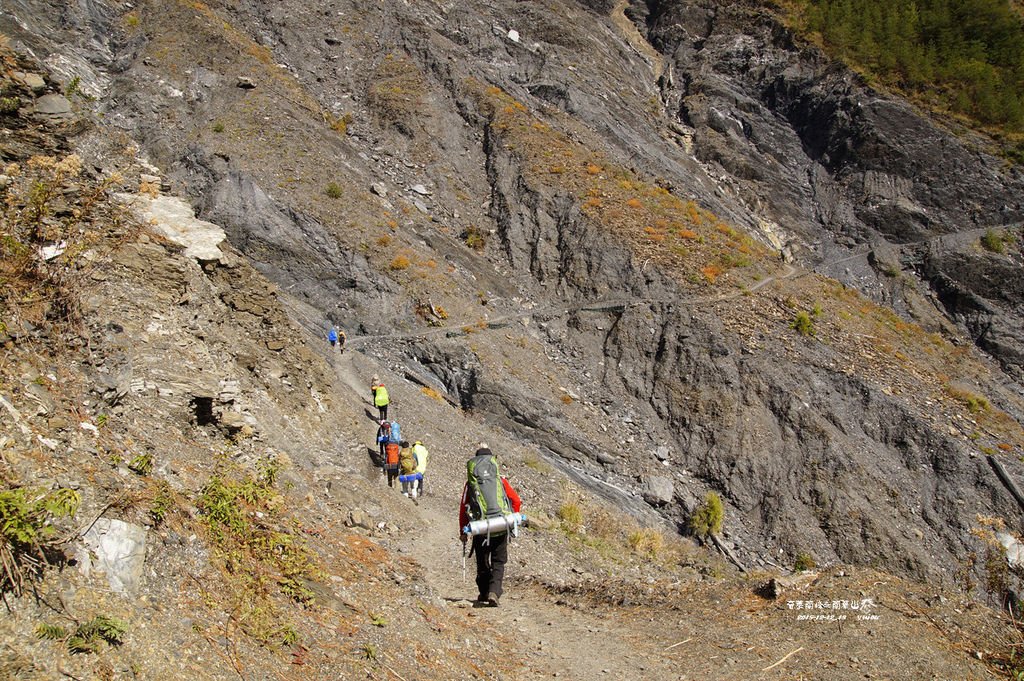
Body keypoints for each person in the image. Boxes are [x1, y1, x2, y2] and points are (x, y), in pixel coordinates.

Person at [458, 446, 521, 607]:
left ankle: (484, 592)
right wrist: (512, 517)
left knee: (482, 561)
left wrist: (463, 530)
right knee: (499, 562)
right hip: (500, 526)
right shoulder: (500, 480)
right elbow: (516, 500)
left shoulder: (471, 484)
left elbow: (463, 508)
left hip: (481, 527)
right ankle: (494, 591)